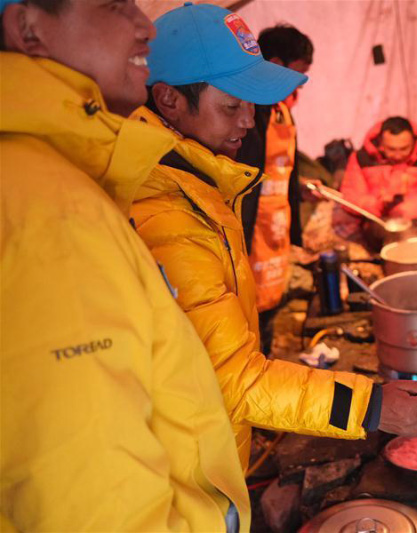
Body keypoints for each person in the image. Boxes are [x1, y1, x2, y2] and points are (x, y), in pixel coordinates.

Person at [133, 3, 417, 472]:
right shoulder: (166, 215)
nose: (248, 121)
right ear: (169, 99)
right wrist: (370, 406)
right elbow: (231, 380)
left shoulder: (201, 185)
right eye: (231, 105)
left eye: (251, 104)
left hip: (211, 449)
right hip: (189, 472)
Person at [0, 0, 250, 530]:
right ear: (27, 28)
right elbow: (94, 504)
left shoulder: (58, 181)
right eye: (115, 4)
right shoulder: (53, 212)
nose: (144, 26)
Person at [238, 23, 314, 354]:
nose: (300, 84)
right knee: (245, 314)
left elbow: (284, 166)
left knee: (269, 306)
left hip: (275, 228)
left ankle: (264, 360)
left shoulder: (282, 110)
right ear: (276, 63)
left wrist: (300, 189)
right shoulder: (246, 109)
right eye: (298, 73)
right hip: (248, 229)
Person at [333, 116, 417, 248]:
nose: (398, 155)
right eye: (391, 149)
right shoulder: (361, 158)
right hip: (373, 220)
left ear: (414, 142)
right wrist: (374, 205)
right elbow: (351, 193)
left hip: (415, 218)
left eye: (404, 149)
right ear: (380, 143)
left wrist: (402, 212)